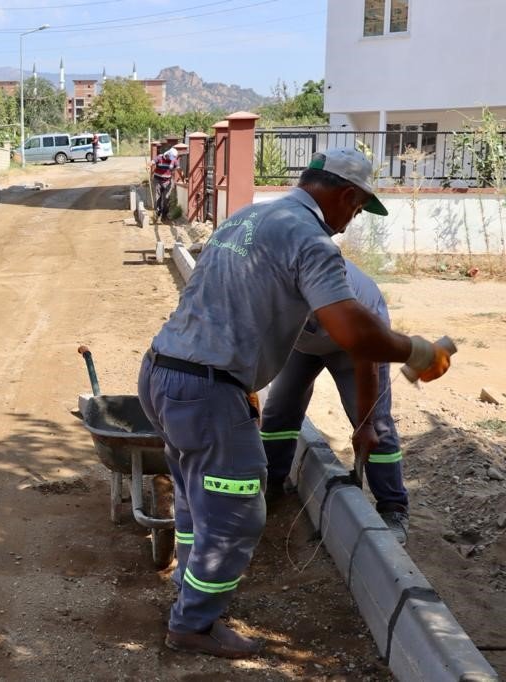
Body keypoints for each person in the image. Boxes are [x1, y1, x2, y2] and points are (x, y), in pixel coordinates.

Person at [136, 148, 451, 659]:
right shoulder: (310, 239)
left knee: (198, 496)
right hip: (207, 391)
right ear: (346, 195)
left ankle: (192, 597)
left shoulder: (251, 217)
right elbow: (355, 334)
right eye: (356, 209)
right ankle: (192, 624)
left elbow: (217, 302)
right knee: (238, 513)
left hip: (165, 374)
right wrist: (419, 350)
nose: (350, 223)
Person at [262, 260, 410, 543]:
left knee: (375, 424)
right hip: (302, 343)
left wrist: (364, 423)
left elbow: (367, 363)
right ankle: (272, 484)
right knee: (279, 409)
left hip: (353, 344)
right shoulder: (272, 286)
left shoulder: (351, 303)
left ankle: (393, 507)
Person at [150, 146, 181, 221]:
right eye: (170, 158)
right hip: (158, 180)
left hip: (168, 182)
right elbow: (152, 162)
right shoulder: (159, 157)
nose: (171, 160)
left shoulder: (174, 160)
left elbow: (178, 169)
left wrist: (183, 177)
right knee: (158, 198)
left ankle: (164, 215)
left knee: (166, 198)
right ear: (167, 155)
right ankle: (157, 214)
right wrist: (148, 166)